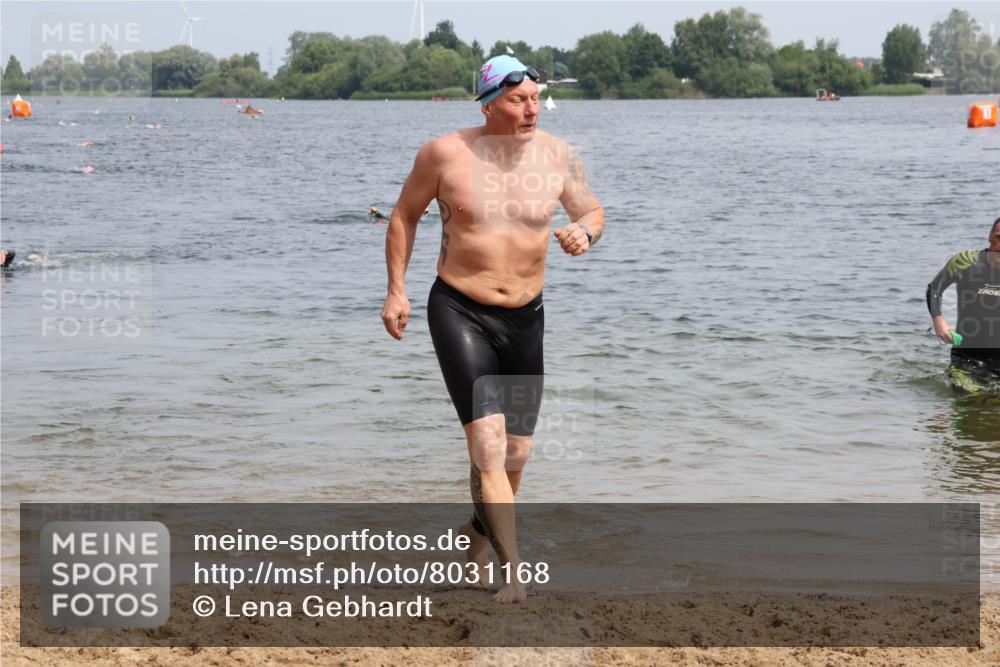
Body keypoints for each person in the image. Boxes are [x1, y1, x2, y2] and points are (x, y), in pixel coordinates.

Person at [380, 55, 605, 603]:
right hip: (460, 309)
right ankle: (514, 574)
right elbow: (404, 215)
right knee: (487, 441)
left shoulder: (558, 156)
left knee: (517, 454)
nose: (531, 108)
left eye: (534, 97)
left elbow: (593, 211)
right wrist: (396, 290)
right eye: (517, 99)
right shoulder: (444, 154)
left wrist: (584, 233)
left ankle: (476, 540)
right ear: (488, 103)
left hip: (526, 315)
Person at [926, 217, 1000, 392]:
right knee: (967, 403)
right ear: (990, 237)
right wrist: (939, 321)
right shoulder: (966, 262)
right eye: (999, 237)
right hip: (968, 357)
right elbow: (934, 288)